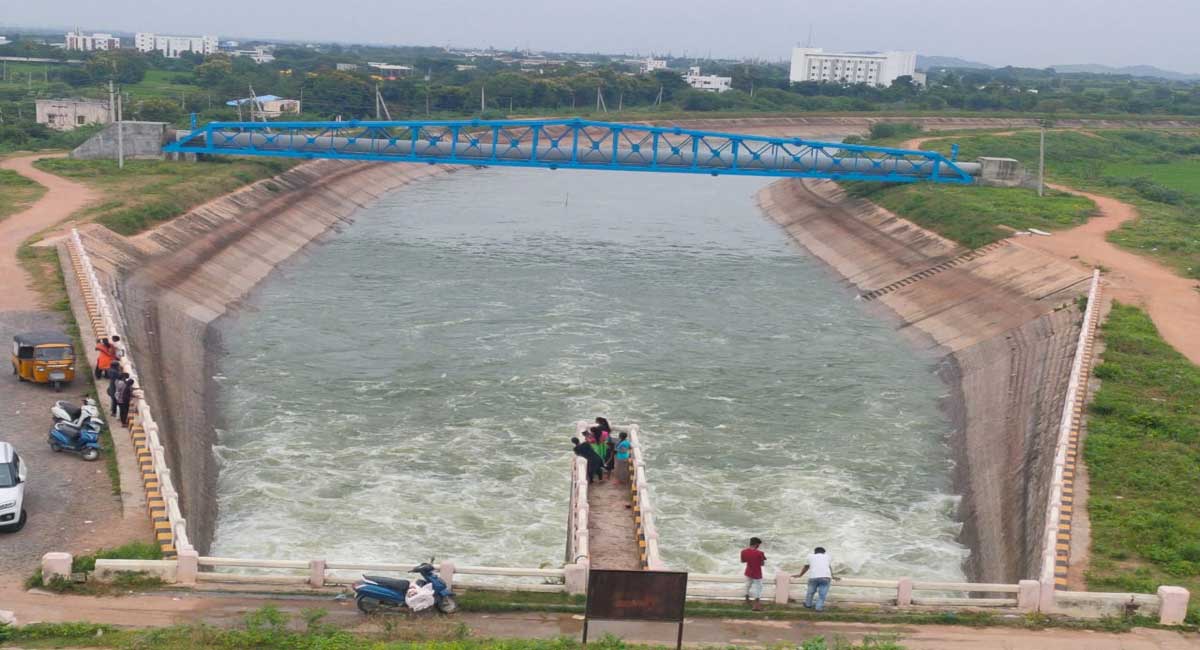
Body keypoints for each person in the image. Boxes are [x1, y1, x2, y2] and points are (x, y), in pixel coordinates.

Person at [794, 546, 835, 612]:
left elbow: (806, 567)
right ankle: (818, 608)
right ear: (824, 553)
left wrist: (800, 575)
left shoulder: (810, 556)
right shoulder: (828, 556)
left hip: (813, 576)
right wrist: (833, 576)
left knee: (810, 592)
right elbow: (829, 567)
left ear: (814, 552)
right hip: (826, 577)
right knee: (822, 594)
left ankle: (808, 605)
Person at [741, 537, 767, 611]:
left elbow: (743, 561)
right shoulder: (760, 553)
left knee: (748, 585)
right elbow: (762, 564)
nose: (759, 546)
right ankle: (756, 605)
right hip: (757, 572)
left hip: (748, 571)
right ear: (756, 544)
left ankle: (746, 600)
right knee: (759, 587)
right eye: (758, 544)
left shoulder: (743, 551)